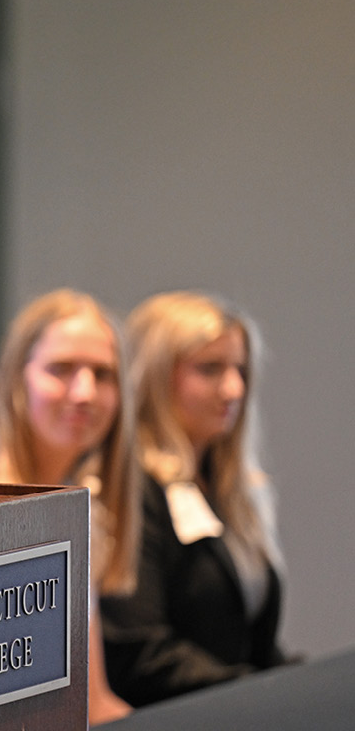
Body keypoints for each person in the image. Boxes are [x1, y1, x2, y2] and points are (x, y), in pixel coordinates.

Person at [99, 291, 287, 707]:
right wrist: (261, 693)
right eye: (210, 369)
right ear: (154, 376)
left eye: (240, 369)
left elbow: (253, 643)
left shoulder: (231, 490)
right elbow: (139, 652)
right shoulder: (131, 489)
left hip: (231, 719)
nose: (234, 388)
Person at [0, 289, 139, 725]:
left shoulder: (82, 506)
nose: (85, 393)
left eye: (103, 374)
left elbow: (94, 702)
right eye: (61, 370)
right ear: (18, 378)